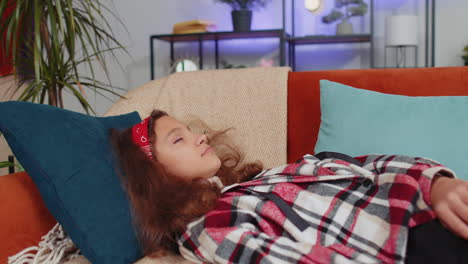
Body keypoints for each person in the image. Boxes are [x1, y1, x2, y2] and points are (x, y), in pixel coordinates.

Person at [111, 110, 468, 264]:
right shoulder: (212, 226)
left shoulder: (269, 176)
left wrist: (436, 183)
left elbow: (366, 163)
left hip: (438, 207)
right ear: (155, 174)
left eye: (190, 130)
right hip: (415, 250)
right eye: (179, 140)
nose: (199, 136)